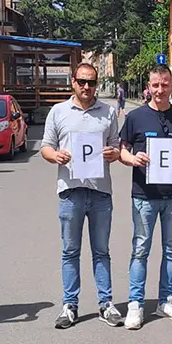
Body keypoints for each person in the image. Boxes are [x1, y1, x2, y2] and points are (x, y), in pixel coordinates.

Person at [40, 63, 124, 329]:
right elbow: (45, 146)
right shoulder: (58, 111)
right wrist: (55, 156)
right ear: (73, 82)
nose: (87, 87)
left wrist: (113, 153)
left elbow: (116, 146)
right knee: (70, 251)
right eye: (82, 81)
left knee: (101, 251)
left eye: (92, 82)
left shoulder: (108, 112)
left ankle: (106, 304)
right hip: (70, 192)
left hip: (100, 192)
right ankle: (69, 306)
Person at [117, 64, 172, 330]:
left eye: (164, 84)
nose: (160, 90)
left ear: (171, 86)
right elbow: (122, 151)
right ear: (148, 87)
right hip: (144, 196)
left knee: (171, 250)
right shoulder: (135, 117)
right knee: (140, 250)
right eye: (155, 85)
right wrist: (132, 159)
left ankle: (166, 300)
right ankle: (135, 304)